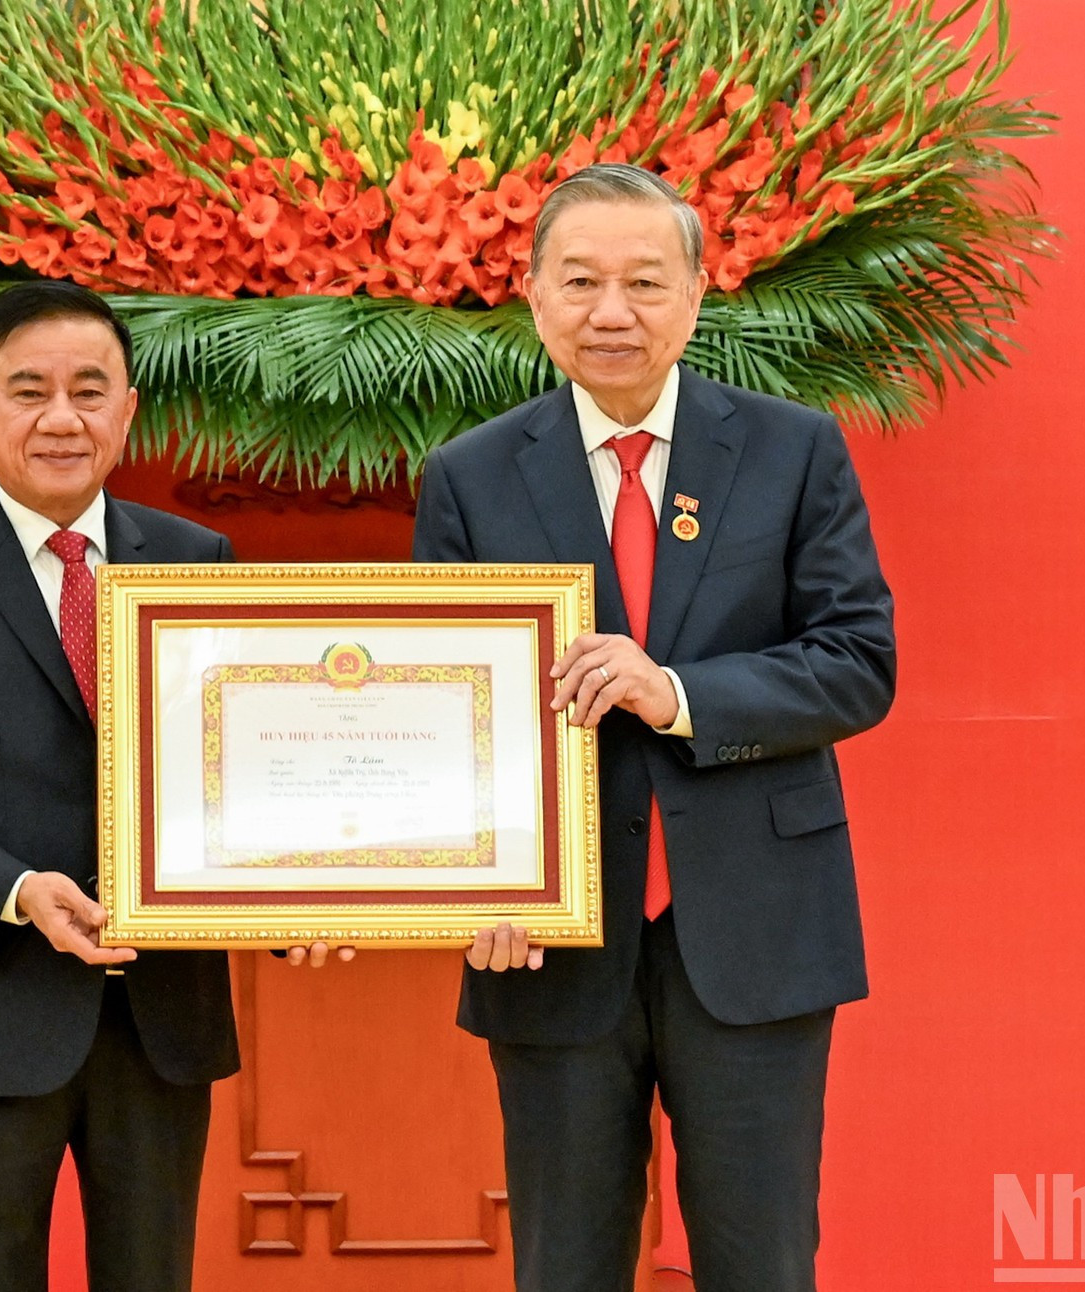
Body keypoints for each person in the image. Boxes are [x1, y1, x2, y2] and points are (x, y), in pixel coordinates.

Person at [411, 164, 897, 1291]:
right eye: (578, 281)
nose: (610, 311)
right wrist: (472, 883)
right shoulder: (472, 476)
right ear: (532, 297)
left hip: (753, 925)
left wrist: (671, 691)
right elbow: (441, 717)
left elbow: (856, 664)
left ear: (694, 295)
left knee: (761, 1259)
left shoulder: (791, 449)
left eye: (642, 280)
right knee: (565, 1262)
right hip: (552, 941)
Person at [0, 281, 335, 1292]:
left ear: (127, 409)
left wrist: (287, 898)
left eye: (88, 389)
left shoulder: (196, 561)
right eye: (28, 390)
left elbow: (235, 770)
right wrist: (17, 892)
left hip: (160, 1019)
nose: (62, 417)